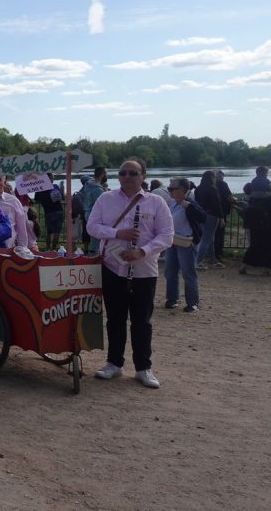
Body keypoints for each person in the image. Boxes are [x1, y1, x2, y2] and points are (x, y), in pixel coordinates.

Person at [87, 158, 173, 389]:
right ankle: (114, 363)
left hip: (144, 270)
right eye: (123, 172)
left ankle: (143, 368)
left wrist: (142, 251)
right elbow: (91, 226)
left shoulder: (156, 202)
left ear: (142, 176)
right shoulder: (105, 199)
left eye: (132, 173)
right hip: (113, 268)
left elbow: (166, 235)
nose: (127, 176)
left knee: (141, 322)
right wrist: (118, 233)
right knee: (114, 319)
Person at [163, 177, 205, 312]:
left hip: (186, 242)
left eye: (172, 189)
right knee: (170, 271)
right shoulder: (173, 203)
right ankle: (172, 299)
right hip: (173, 241)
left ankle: (193, 302)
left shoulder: (189, 202)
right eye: (169, 188)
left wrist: (188, 206)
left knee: (188, 273)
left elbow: (202, 217)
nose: (169, 191)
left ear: (182, 190)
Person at [0, 175, 33, 250]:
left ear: (5, 182)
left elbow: (21, 228)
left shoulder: (14, 201)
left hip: (6, 251)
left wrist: (23, 248)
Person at [240, 167, 271, 275]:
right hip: (266, 222)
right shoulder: (267, 184)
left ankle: (244, 266)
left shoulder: (253, 184)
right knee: (267, 245)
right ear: (265, 173)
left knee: (254, 245)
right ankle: (267, 268)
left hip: (253, 222)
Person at [193, 170, 224, 270]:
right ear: (211, 177)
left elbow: (196, 203)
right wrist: (222, 218)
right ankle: (196, 262)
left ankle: (213, 260)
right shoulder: (213, 189)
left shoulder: (198, 189)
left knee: (210, 238)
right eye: (214, 177)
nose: (215, 178)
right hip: (212, 216)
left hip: (201, 215)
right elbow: (217, 205)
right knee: (207, 239)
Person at [34, 173, 64, 252]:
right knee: (56, 232)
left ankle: (47, 249)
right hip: (59, 211)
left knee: (49, 232)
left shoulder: (40, 188)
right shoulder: (55, 187)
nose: (53, 179)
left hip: (48, 212)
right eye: (52, 178)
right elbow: (62, 197)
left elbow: (36, 199)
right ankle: (53, 250)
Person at [214, 170, 236, 264]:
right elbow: (229, 197)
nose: (222, 179)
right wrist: (234, 201)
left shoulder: (206, 185)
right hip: (221, 212)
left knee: (211, 234)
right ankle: (218, 253)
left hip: (209, 213)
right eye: (222, 177)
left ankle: (211, 253)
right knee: (220, 233)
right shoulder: (223, 184)